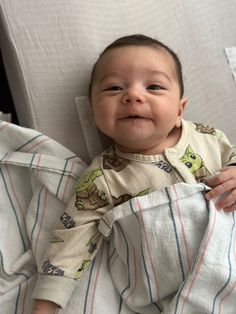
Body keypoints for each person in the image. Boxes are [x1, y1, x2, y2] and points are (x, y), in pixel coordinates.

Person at [32, 34, 236, 313]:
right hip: (170, 296)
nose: (133, 95)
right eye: (114, 88)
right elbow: (71, 240)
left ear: (180, 108)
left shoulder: (208, 138)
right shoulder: (101, 176)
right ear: (93, 112)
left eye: (153, 86)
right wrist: (45, 304)